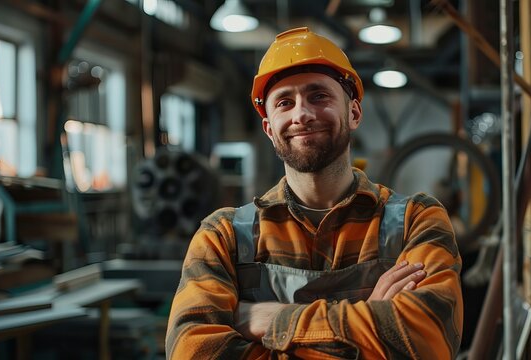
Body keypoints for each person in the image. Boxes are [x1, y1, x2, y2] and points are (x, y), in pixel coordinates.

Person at [166, 27, 463, 359]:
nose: (301, 114)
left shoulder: (416, 221)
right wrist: (370, 317)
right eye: (284, 102)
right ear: (268, 127)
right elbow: (191, 351)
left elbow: (428, 342)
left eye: (318, 96)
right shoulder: (223, 237)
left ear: (353, 113)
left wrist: (271, 320)